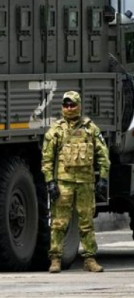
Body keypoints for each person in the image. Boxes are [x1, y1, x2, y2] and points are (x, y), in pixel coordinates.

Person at [41, 91, 109, 273]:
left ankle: (90, 259)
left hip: (85, 183)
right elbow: (47, 159)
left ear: (79, 105)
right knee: (59, 222)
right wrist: (50, 182)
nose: (69, 108)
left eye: (72, 104)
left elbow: (102, 154)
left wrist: (103, 177)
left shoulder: (90, 129)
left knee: (86, 222)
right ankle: (55, 259)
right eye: (66, 105)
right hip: (64, 183)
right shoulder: (56, 130)